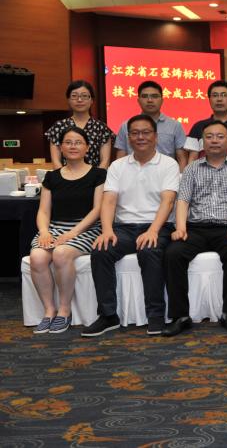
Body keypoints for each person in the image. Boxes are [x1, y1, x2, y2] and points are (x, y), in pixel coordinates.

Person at [83, 115, 180, 337]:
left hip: (158, 225)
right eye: (135, 133)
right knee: (101, 250)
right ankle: (108, 315)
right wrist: (107, 231)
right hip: (124, 227)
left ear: (155, 136)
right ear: (128, 137)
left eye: (146, 132)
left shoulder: (168, 164)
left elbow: (168, 202)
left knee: (149, 250)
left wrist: (153, 231)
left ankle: (155, 315)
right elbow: (109, 201)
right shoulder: (118, 166)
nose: (140, 137)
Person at [162, 120, 227, 336]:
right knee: (173, 253)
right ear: (202, 142)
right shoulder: (191, 168)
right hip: (196, 228)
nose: (214, 141)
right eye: (209, 136)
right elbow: (183, 201)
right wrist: (180, 228)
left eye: (220, 136)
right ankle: (180, 316)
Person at [28, 127, 105, 334]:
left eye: (78, 142)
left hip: (87, 228)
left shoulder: (99, 174)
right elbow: (44, 211)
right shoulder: (52, 177)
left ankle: (64, 310)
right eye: (68, 142)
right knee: (37, 257)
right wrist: (44, 231)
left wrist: (73, 233)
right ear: (61, 148)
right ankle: (49, 310)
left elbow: (98, 210)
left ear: (87, 147)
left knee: (61, 254)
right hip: (54, 228)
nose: (73, 146)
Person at [113, 80, 188, 171]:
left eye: (154, 96)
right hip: (133, 174)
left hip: (165, 175)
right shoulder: (126, 126)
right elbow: (120, 158)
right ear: (138, 101)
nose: (150, 100)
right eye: (145, 96)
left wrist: (179, 177)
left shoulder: (175, 126)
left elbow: (182, 158)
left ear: (162, 100)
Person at [45, 80, 114, 168]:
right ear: (68, 100)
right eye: (74, 96)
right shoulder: (58, 126)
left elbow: (105, 161)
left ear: (92, 100)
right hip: (64, 175)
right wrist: (63, 176)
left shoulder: (102, 128)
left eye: (84, 96)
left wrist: (97, 176)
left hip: (95, 176)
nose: (79, 100)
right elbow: (56, 161)